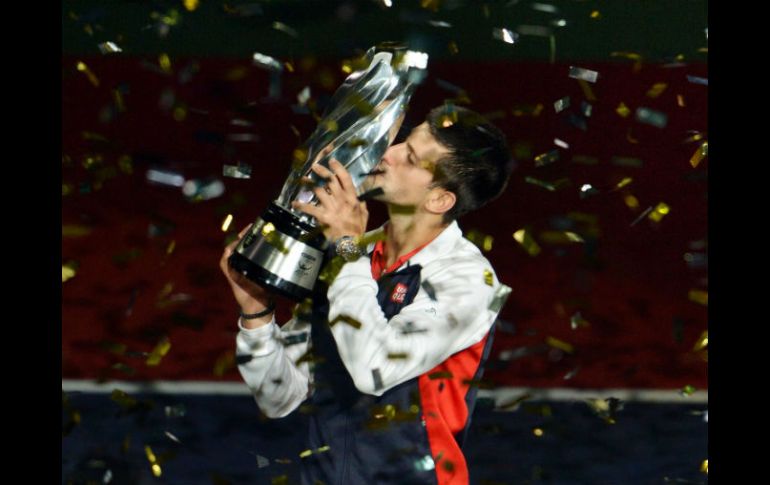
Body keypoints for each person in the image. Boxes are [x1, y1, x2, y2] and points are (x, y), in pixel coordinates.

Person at [220, 105, 514, 485]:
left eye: (410, 157)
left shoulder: (470, 283)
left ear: (439, 200)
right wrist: (257, 315)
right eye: (404, 141)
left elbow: (374, 370)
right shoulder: (352, 259)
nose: (387, 153)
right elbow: (280, 397)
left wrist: (347, 247)